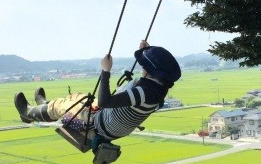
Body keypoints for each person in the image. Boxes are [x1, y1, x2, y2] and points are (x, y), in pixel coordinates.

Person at [13, 40, 181, 142]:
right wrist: (147, 51)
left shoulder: (143, 93)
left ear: (149, 70)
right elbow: (150, 75)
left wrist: (105, 71)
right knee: (79, 96)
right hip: (112, 122)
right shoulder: (158, 89)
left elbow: (104, 102)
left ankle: (28, 113)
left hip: (99, 125)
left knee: (65, 106)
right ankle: (44, 106)